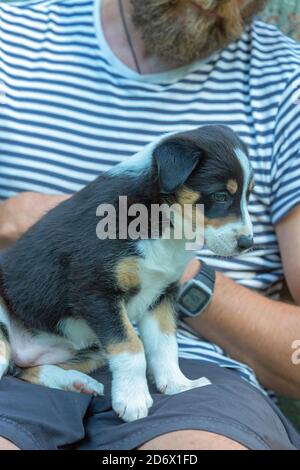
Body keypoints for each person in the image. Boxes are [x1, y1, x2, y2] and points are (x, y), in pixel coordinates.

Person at [0, 0, 299, 450]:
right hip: (22, 327)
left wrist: (182, 271)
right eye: (222, 199)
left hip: (200, 387)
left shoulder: (288, 82)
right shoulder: (11, 34)